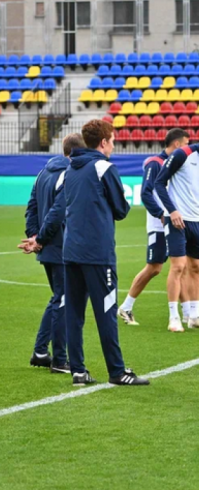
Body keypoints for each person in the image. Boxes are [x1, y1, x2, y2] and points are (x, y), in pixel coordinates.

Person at [29, 120, 148, 386]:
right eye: (113, 140)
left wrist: (39, 239)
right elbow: (121, 209)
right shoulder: (104, 167)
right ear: (104, 142)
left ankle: (78, 371)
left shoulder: (69, 169)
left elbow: (56, 211)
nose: (114, 145)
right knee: (106, 312)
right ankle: (117, 371)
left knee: (74, 315)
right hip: (98, 255)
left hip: (69, 254)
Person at [22, 133, 85, 374]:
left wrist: (35, 237)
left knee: (58, 297)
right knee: (63, 300)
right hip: (61, 247)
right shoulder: (68, 175)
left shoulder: (42, 173)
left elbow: (32, 208)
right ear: (78, 152)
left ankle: (40, 352)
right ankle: (60, 360)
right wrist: (40, 238)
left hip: (48, 247)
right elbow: (58, 213)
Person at [154, 128, 199, 332]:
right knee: (178, 267)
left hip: (198, 220)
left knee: (196, 267)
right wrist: (172, 211)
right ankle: (174, 316)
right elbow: (159, 183)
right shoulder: (183, 154)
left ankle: (194, 316)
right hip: (177, 219)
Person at [118, 128, 189, 325]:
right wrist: (160, 215)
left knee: (179, 267)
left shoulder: (175, 165)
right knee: (155, 268)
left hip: (174, 223)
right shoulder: (155, 163)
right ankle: (126, 307)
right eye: (185, 144)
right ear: (176, 144)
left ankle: (189, 313)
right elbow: (146, 193)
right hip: (159, 225)